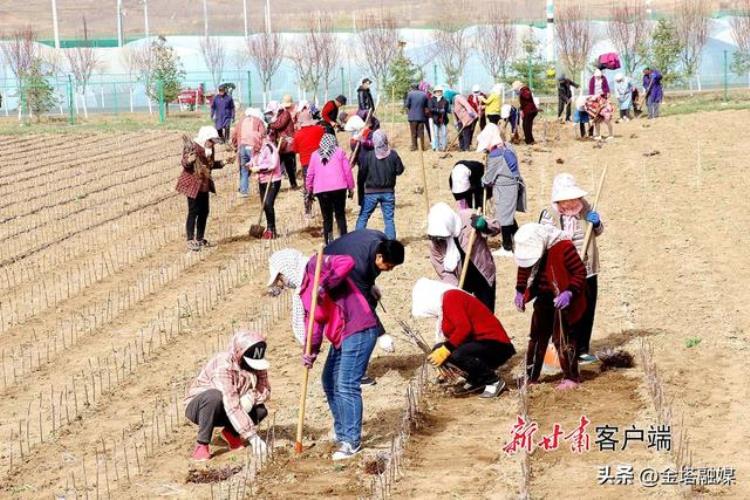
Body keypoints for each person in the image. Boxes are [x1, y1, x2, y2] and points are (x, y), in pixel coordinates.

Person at [302, 234, 405, 460]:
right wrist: (309, 352)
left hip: (359, 328)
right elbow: (315, 323)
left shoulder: (318, 267)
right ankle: (342, 433)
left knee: (346, 383)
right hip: (343, 332)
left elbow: (346, 262)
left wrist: (324, 283)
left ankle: (351, 441)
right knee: (329, 380)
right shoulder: (306, 290)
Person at [411, 278, 515, 398]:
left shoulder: (451, 297)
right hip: (479, 343)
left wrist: (446, 349)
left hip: (496, 344)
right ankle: (476, 378)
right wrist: (441, 353)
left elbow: (464, 328)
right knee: (438, 348)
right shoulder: (444, 308)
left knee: (457, 354)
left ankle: (493, 381)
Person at [513, 223, 587, 390]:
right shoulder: (530, 248)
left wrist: (569, 292)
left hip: (563, 300)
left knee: (562, 339)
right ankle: (531, 376)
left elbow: (580, 272)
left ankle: (571, 376)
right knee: (536, 338)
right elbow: (524, 269)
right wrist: (520, 290)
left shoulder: (564, 247)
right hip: (543, 297)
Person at [540, 174, 603, 365]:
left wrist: (597, 223)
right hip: (564, 269)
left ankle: (582, 349)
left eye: (572, 199)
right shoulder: (548, 215)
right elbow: (545, 240)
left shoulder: (586, 208)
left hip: (587, 267)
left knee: (587, 308)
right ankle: (561, 347)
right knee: (565, 310)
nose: (569, 203)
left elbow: (598, 232)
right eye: (564, 200)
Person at [184, 329, 270, 461]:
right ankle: (202, 445)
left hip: (231, 405)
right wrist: (253, 437)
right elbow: (230, 402)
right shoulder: (223, 365)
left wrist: (251, 397)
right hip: (203, 408)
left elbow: (265, 390)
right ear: (239, 355)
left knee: (260, 410)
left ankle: (231, 433)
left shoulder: (257, 363)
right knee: (214, 397)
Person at [426, 202, 500, 312]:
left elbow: (497, 227)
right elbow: (443, 272)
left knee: (486, 315)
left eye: (442, 237)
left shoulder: (468, 217)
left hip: (483, 274)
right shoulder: (435, 243)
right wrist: (456, 290)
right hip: (460, 280)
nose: (439, 240)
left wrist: (485, 225)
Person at [176, 126, 229, 251]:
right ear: (205, 138)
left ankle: (200, 239)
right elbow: (185, 163)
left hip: (204, 185)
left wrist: (224, 162)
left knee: (204, 212)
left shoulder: (210, 149)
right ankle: (190, 240)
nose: (212, 143)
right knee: (193, 212)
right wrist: (189, 161)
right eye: (211, 141)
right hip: (193, 184)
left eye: (214, 141)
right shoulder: (192, 147)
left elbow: (210, 165)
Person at [478, 124, 525, 256]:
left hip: (505, 188)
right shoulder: (508, 146)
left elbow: (488, 179)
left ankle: (507, 247)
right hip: (512, 185)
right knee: (509, 216)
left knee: (504, 218)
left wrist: (482, 180)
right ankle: (519, 240)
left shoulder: (496, 156)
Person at [355, 130, 404, 240]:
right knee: (388, 219)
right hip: (388, 193)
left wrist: (360, 193)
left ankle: (356, 239)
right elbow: (400, 170)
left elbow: (362, 175)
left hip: (371, 193)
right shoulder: (393, 155)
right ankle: (391, 243)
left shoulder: (368, 156)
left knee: (363, 217)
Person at [306, 134, 354, 244]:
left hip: (321, 190)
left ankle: (329, 241)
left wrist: (309, 189)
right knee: (340, 215)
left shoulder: (315, 155)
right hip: (339, 188)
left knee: (327, 218)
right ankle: (344, 240)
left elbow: (310, 174)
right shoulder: (339, 152)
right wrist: (351, 187)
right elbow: (347, 171)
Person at [292, 111, 325, 216]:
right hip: (320, 161)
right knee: (322, 184)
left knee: (308, 186)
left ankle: (308, 211)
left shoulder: (297, 135)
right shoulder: (320, 130)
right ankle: (326, 208)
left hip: (306, 163)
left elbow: (295, 150)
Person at [251, 136, 282, 239]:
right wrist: (249, 166)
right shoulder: (255, 149)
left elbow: (273, 165)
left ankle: (271, 229)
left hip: (273, 180)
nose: (252, 147)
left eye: (253, 144)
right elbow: (253, 161)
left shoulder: (269, 147)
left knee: (268, 204)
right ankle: (270, 229)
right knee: (264, 205)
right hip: (262, 181)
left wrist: (258, 168)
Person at [231, 107, 266, 198]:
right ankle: (261, 189)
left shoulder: (241, 122)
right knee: (258, 168)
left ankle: (243, 191)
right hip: (254, 148)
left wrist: (235, 146)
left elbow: (234, 135)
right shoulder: (258, 121)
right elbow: (263, 135)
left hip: (242, 147)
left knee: (244, 170)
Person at [267, 96, 298, 189]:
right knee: (277, 164)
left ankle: (293, 184)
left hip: (287, 144)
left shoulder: (285, 114)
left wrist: (269, 125)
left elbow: (279, 125)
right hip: (282, 145)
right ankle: (272, 184)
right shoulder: (279, 115)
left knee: (288, 167)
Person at [404, 83, 429, 151]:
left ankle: (414, 147)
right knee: (421, 132)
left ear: (412, 87)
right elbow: (426, 105)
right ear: (418, 87)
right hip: (421, 116)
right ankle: (422, 147)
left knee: (413, 133)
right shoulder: (424, 94)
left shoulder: (410, 94)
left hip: (412, 117)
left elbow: (407, 105)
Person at [512, 81, 538, 145]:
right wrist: (521, 109)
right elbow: (523, 103)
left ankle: (529, 141)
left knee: (527, 126)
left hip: (530, 110)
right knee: (526, 125)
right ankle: (529, 140)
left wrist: (521, 93)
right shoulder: (523, 91)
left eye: (515, 89)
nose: (515, 91)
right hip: (528, 111)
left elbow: (528, 96)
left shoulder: (524, 89)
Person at [428, 86, 449, 151]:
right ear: (435, 92)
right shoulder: (431, 100)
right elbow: (430, 108)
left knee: (444, 134)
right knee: (436, 135)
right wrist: (438, 110)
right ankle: (437, 147)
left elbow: (446, 108)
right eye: (438, 91)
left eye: (440, 91)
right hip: (435, 119)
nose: (439, 93)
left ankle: (444, 147)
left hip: (443, 119)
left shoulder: (445, 100)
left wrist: (444, 110)